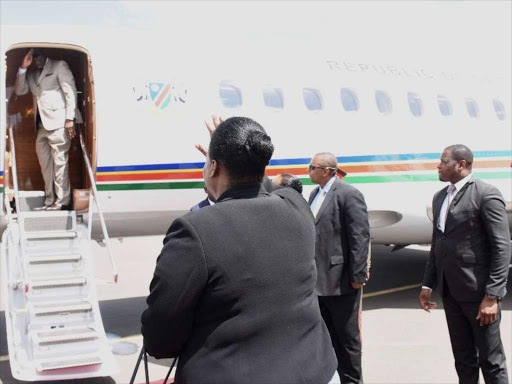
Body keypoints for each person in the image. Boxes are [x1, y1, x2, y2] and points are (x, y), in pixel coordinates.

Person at [141, 117, 337, 384]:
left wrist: (224, 156)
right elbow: (264, 186)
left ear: (212, 167)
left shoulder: (194, 230)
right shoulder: (296, 206)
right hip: (316, 372)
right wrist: (238, 155)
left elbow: (159, 339)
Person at [419, 144, 510, 383]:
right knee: (463, 358)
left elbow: (501, 247)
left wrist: (492, 296)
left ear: (461, 164)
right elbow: (437, 243)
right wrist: (427, 285)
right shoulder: (440, 197)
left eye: (443, 161)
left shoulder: (485, 194)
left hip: (479, 294)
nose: (438, 166)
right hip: (451, 292)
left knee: (491, 360)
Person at [308, 152, 370, 384]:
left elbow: (360, 236)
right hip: (318, 283)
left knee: (347, 341)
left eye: (312, 167)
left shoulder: (348, 194)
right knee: (326, 339)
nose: (309, 172)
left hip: (341, 281)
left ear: (326, 171)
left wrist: (357, 275)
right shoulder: (315, 194)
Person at [14, 48, 81, 211]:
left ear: (45, 54)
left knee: (60, 162)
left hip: (59, 123)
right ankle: (50, 199)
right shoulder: (31, 74)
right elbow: (19, 90)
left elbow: (70, 91)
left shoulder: (59, 66)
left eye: (37, 55)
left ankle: (62, 201)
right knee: (45, 164)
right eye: (32, 57)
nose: (35, 59)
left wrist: (69, 119)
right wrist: (23, 67)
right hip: (41, 126)